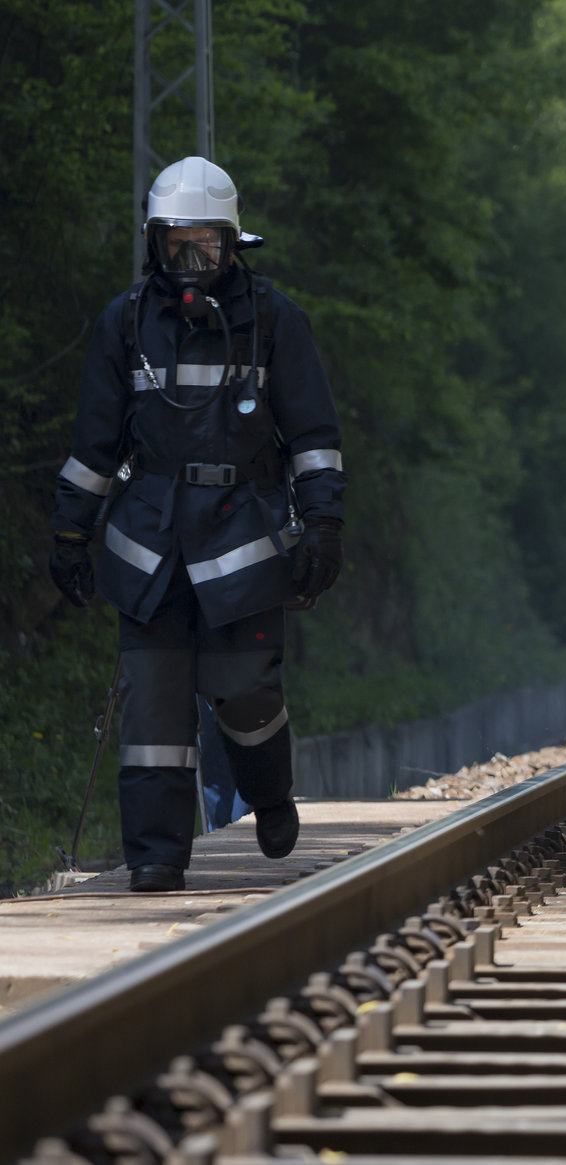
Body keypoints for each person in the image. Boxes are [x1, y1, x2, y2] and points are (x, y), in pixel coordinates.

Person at [49, 157, 346, 892]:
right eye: (177, 244)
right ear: (155, 243)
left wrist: (324, 524)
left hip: (240, 539)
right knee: (152, 709)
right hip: (148, 544)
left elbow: (312, 434)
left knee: (245, 691)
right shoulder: (124, 323)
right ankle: (155, 855)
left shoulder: (274, 320)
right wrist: (69, 533)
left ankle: (270, 794)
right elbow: (94, 441)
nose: (191, 261)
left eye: (206, 246)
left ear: (234, 244)